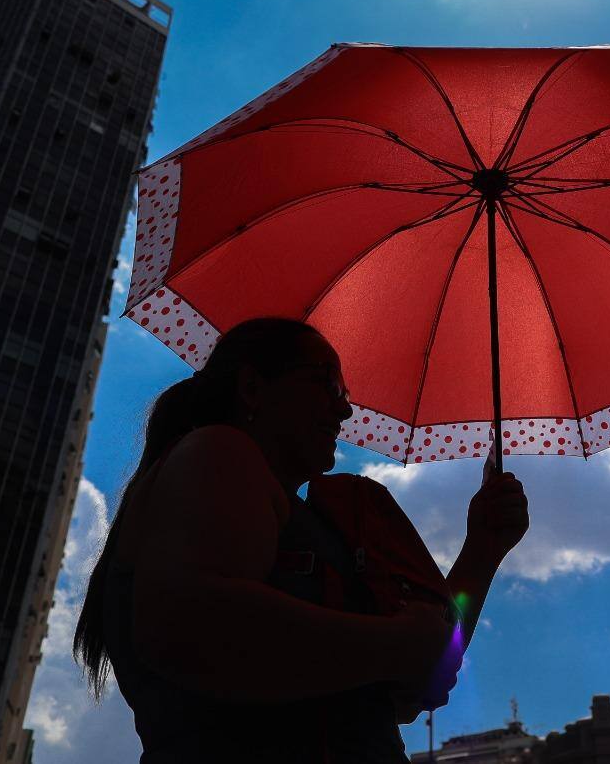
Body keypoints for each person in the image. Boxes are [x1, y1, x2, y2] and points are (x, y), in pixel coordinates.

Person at [73, 316, 530, 762]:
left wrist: (483, 549)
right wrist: (395, 642)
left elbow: (409, 686)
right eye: (327, 385)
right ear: (253, 388)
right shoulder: (219, 452)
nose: (345, 409)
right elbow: (196, 626)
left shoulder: (293, 513)